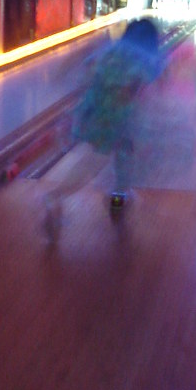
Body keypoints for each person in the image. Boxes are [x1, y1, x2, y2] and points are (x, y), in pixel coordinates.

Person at [44, 17, 165, 238]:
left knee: (113, 158)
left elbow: (89, 69)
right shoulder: (146, 59)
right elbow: (138, 91)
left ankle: (117, 198)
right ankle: (56, 197)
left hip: (95, 113)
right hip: (119, 118)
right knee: (103, 162)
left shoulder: (110, 51)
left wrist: (62, 76)